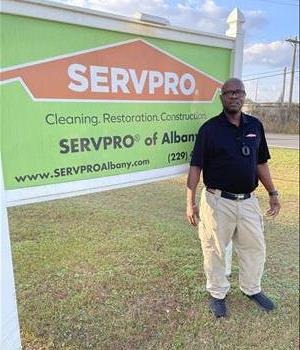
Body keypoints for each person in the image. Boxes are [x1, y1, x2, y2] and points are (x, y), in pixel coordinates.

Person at [186, 78, 280, 318]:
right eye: (229, 93)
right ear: (222, 97)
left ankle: (251, 289)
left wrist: (272, 192)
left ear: (244, 95)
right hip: (218, 201)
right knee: (215, 249)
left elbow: (260, 162)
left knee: (254, 247)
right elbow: (196, 166)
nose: (234, 96)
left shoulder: (255, 126)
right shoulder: (209, 129)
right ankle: (218, 294)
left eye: (238, 92)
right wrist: (190, 202)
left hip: (248, 201)